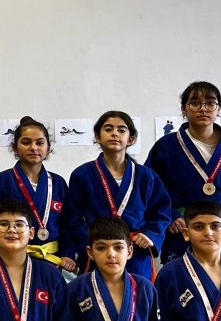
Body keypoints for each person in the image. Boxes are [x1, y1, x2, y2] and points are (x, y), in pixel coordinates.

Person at [144, 81, 221, 265]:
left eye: (210, 103)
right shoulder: (165, 147)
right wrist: (170, 216)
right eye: (195, 103)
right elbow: (149, 191)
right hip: (183, 232)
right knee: (181, 280)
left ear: (218, 108)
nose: (203, 108)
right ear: (184, 109)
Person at [61, 111, 172, 279]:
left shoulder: (146, 176)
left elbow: (161, 212)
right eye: (108, 129)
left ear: (131, 139)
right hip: (98, 252)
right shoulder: (82, 175)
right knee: (96, 292)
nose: (114, 133)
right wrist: (92, 241)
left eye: (121, 130)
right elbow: (72, 218)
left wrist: (150, 235)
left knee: (137, 292)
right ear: (97, 137)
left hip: (135, 252)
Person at [0, 116, 76, 274]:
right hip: (10, 257)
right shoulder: (3, 181)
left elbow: (68, 223)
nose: (33, 148)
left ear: (48, 148)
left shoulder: (58, 183)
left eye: (40, 143)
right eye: (26, 142)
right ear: (15, 148)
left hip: (51, 259)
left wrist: (68, 253)